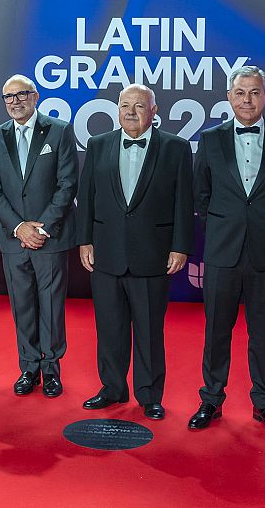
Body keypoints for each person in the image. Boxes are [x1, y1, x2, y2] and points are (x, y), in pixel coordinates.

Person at [188, 65, 265, 435]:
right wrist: (227, 228)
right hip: (222, 253)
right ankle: (210, 400)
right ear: (229, 97)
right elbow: (201, 196)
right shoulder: (209, 140)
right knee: (216, 333)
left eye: (255, 92)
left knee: (263, 334)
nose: (247, 100)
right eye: (240, 93)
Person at [77, 84, 193, 419]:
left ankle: (150, 394)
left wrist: (180, 246)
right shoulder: (98, 145)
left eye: (139, 106)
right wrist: (85, 239)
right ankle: (112, 388)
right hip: (106, 254)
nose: (131, 111)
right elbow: (87, 197)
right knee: (109, 328)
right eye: (125, 105)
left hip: (153, 254)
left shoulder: (176, 147)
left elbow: (184, 202)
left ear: (154, 111)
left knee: (149, 330)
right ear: (117, 109)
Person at [0, 74, 78, 397]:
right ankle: (29, 368)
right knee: (21, 305)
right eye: (8, 97)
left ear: (35, 96)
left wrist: (42, 227)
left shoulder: (60, 130)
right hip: (13, 239)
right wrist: (18, 227)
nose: (15, 102)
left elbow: (68, 185)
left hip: (50, 237)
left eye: (21, 95)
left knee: (51, 306)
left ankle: (52, 370)